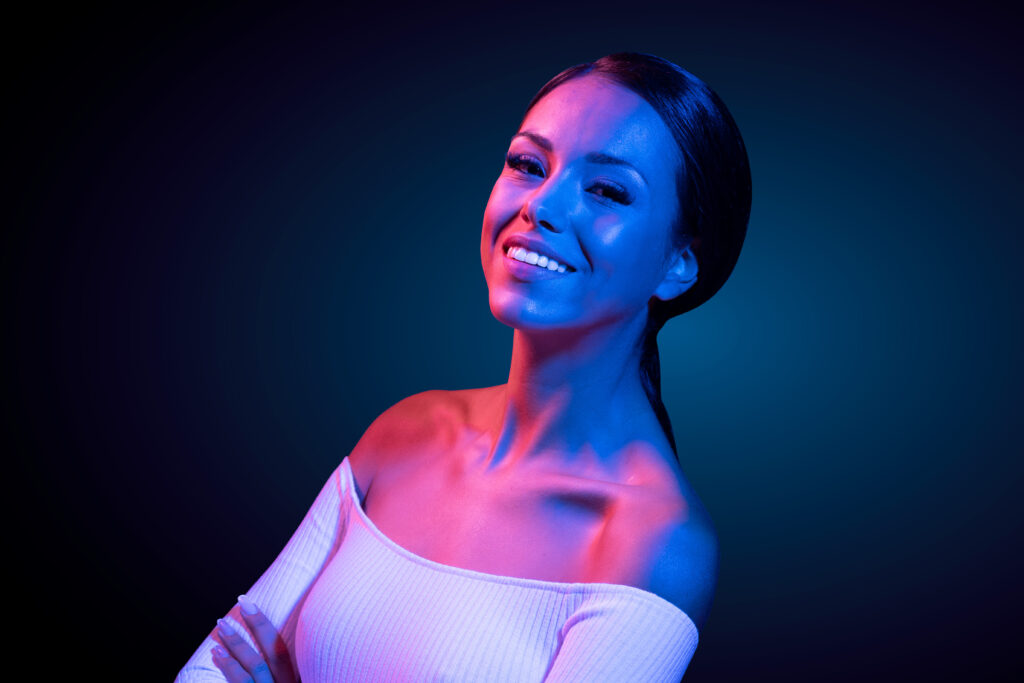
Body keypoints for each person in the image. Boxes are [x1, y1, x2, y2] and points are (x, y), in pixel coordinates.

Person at [175, 51, 751, 682]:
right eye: (528, 164)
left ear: (680, 264)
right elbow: (214, 665)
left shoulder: (651, 540)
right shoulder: (408, 432)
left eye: (608, 190)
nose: (542, 206)